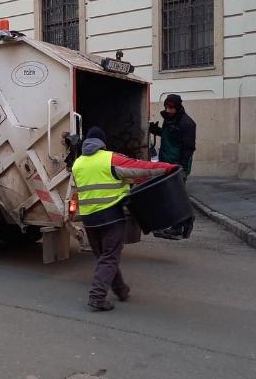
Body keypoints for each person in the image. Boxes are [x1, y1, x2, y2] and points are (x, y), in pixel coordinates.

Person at [72, 126, 179, 311]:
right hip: (111, 217)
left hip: (89, 219)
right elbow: (141, 168)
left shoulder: (78, 164)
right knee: (110, 257)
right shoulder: (110, 159)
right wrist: (167, 168)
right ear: (102, 143)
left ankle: (120, 289)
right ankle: (97, 297)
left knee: (104, 257)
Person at [149, 94, 197, 239]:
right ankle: (184, 222)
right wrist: (155, 130)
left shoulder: (186, 123)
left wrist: (181, 166)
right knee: (173, 195)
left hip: (178, 165)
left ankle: (179, 226)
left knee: (176, 196)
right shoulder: (169, 120)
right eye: (166, 107)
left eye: (171, 107)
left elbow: (189, 148)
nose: (168, 110)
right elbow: (167, 136)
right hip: (167, 162)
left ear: (177, 107)